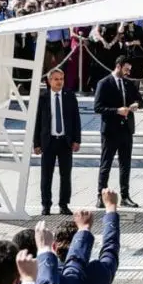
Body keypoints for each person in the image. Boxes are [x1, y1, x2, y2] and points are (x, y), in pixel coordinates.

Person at [92, 55, 143, 207]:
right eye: (126, 69)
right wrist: (116, 111)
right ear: (119, 66)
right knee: (106, 163)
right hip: (110, 130)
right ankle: (100, 194)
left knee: (125, 164)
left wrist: (136, 105)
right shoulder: (104, 83)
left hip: (126, 129)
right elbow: (97, 107)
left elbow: (141, 102)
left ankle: (125, 196)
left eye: (129, 70)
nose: (128, 72)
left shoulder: (129, 83)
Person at [33, 68, 81, 215]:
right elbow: (37, 122)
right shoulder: (43, 97)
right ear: (49, 81)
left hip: (65, 142)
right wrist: (36, 143)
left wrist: (76, 140)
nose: (59, 82)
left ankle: (64, 204)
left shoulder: (69, 96)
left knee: (65, 175)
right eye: (56, 79)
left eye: (61, 79)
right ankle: (46, 204)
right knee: (46, 175)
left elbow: (76, 119)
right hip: (49, 141)